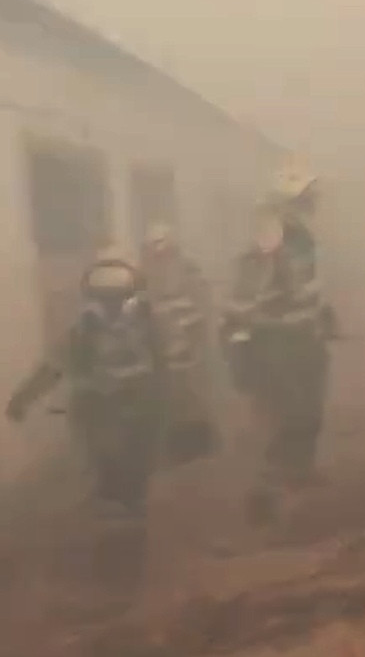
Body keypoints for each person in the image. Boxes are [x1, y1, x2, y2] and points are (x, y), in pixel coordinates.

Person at [5, 249, 167, 521]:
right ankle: (110, 498)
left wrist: (173, 400)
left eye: (118, 296)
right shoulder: (82, 331)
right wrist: (22, 398)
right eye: (104, 297)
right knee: (101, 458)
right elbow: (53, 366)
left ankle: (131, 503)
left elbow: (167, 365)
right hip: (97, 408)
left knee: (136, 461)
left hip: (139, 406)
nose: (112, 306)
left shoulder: (149, 325)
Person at [221, 158, 337, 524]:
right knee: (285, 413)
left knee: (310, 409)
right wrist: (248, 336)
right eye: (307, 195)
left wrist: (322, 313)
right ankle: (267, 491)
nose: (314, 201)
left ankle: (299, 473)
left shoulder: (300, 236)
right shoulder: (271, 238)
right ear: (291, 198)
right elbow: (250, 297)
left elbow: (306, 286)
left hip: (303, 334)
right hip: (276, 340)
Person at [138, 222, 217, 465]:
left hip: (187, 341)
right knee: (168, 397)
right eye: (152, 243)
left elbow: (202, 301)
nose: (157, 248)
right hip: (161, 346)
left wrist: (192, 337)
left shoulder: (186, 267)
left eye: (161, 242)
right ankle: (174, 448)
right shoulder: (144, 271)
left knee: (191, 393)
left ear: (171, 242)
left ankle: (200, 446)